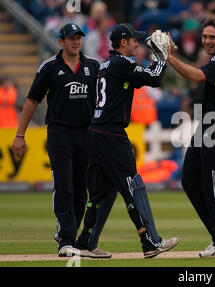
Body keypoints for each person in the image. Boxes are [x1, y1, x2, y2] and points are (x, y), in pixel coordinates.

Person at [74, 23, 179, 259]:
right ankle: (151, 240)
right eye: (134, 41)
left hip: (97, 132)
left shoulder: (106, 65)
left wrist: (157, 58)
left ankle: (85, 242)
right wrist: (161, 57)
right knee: (133, 185)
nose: (137, 44)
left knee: (101, 193)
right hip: (111, 134)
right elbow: (153, 79)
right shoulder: (124, 63)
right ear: (123, 43)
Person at [11, 23, 99, 257]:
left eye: (79, 37)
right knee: (64, 186)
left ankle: (67, 234)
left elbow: (102, 101)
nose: (75, 42)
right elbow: (32, 101)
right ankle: (66, 240)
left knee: (82, 190)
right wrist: (20, 135)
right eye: (71, 38)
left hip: (86, 132)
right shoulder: (50, 67)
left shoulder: (93, 66)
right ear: (61, 41)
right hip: (60, 132)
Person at [166, 17, 215, 257]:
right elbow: (198, 72)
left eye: (212, 37)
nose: (207, 41)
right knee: (189, 178)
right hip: (208, 124)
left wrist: (168, 57)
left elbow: (196, 76)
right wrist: (174, 53)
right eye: (205, 37)